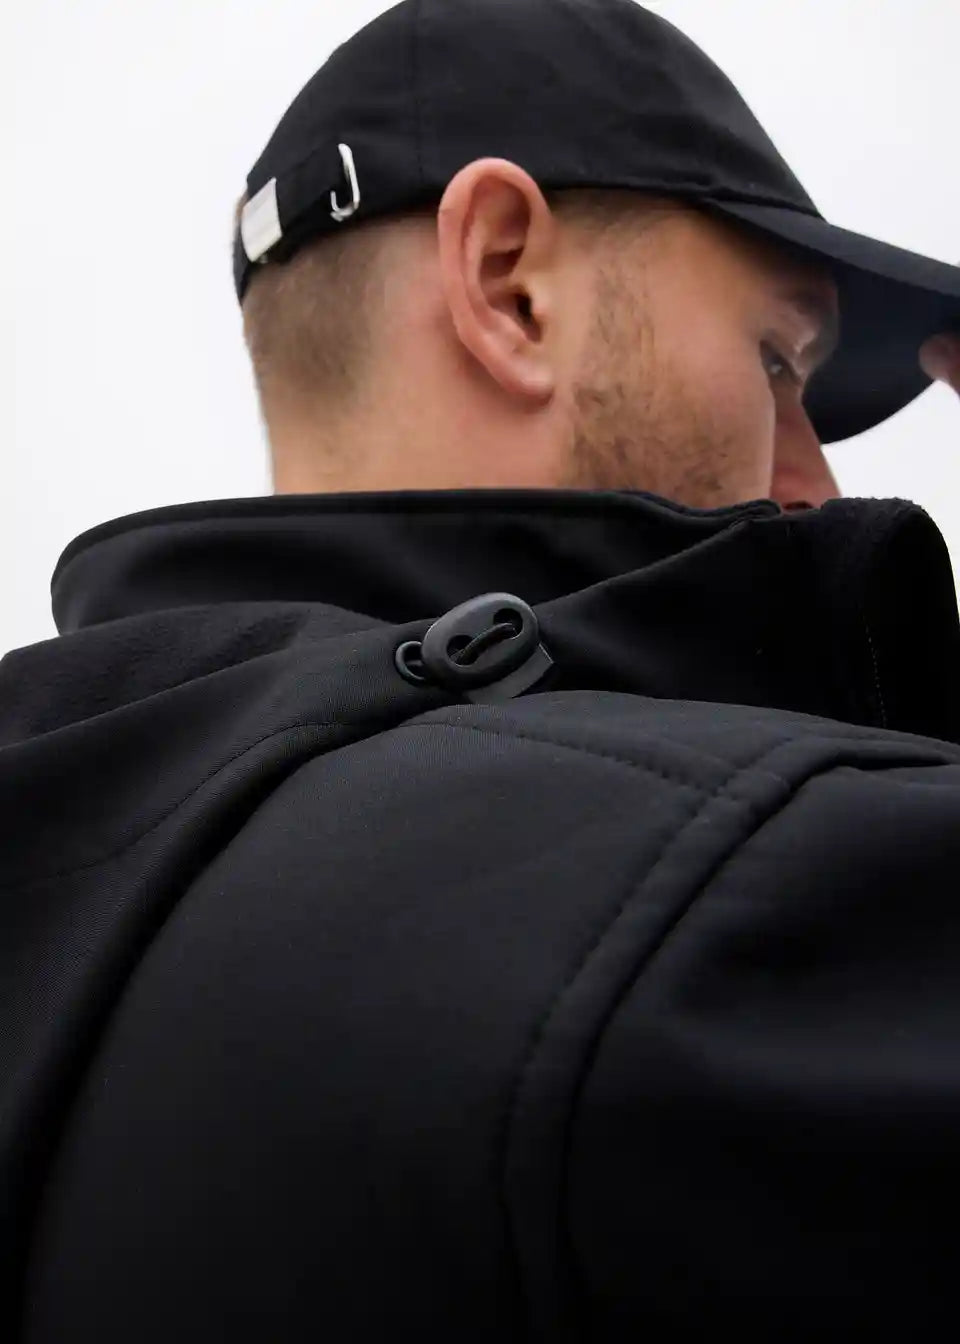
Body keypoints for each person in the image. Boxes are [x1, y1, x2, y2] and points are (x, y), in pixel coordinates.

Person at [4, 1, 960, 1340]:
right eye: (777, 359)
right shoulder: (742, 890)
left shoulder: (65, 856)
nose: (816, 482)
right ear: (510, 286)